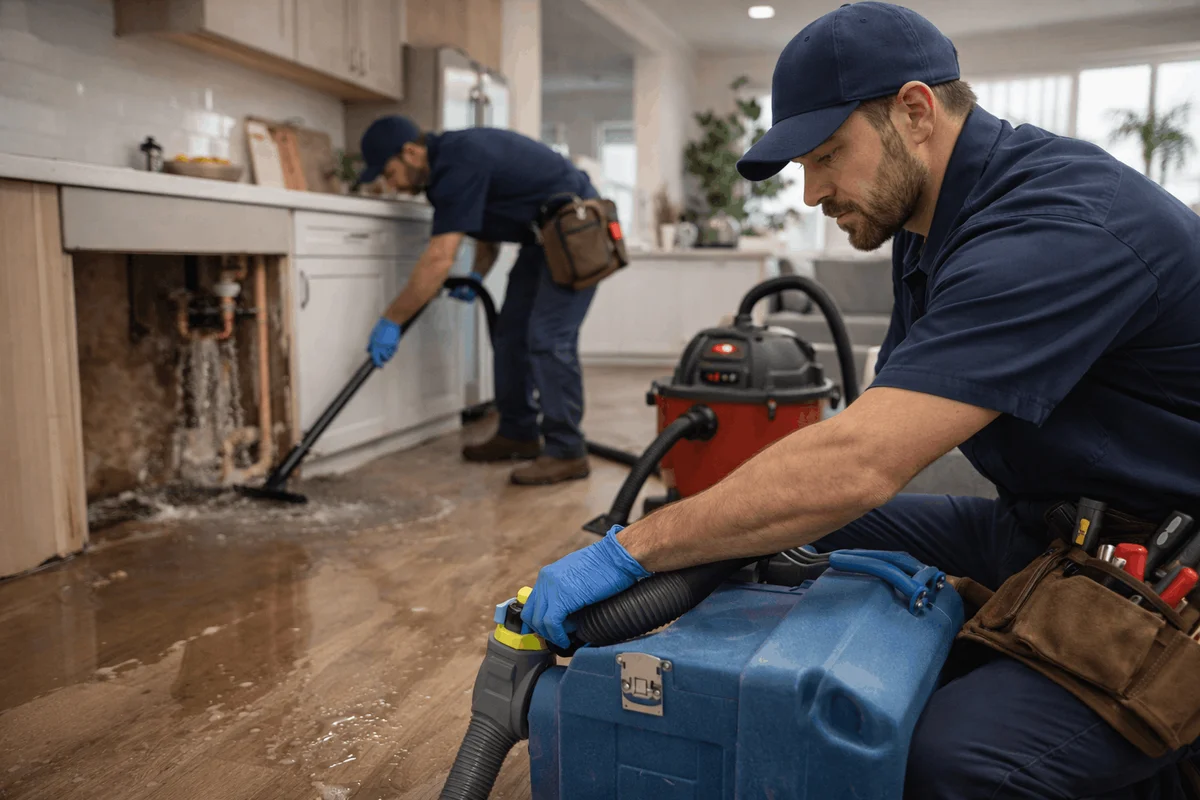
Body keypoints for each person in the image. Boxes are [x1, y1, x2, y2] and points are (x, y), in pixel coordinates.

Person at [519, 2, 1200, 797]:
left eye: (826, 156)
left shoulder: (1055, 225)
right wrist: (681, 537)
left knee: (952, 763)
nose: (810, 193)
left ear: (915, 111)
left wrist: (629, 551)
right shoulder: (928, 222)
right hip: (1051, 522)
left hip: (1168, 559)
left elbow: (861, 460)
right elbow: (866, 434)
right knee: (770, 526)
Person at [357, 116, 600, 485]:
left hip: (578, 230)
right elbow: (488, 232)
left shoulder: (458, 161)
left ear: (410, 152)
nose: (390, 185)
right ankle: (518, 431)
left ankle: (567, 451)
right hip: (543, 240)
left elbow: (440, 258)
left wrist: (392, 319)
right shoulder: (448, 170)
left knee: (548, 339)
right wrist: (475, 277)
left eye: (389, 173)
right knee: (510, 334)